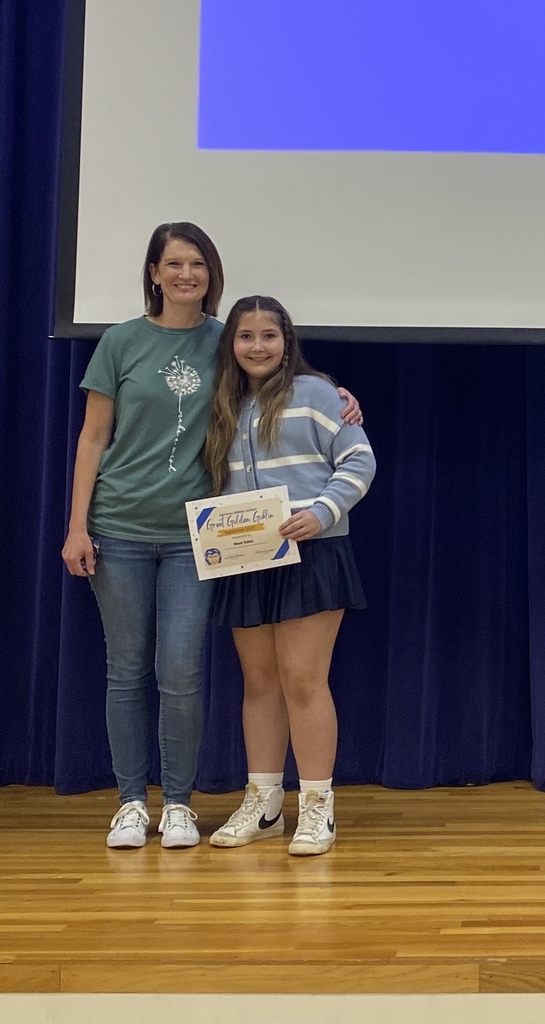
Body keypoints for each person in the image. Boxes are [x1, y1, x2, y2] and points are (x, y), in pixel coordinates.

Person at [62, 224, 362, 851]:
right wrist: (76, 525)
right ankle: (161, 802)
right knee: (148, 673)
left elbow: (327, 432)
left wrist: (337, 398)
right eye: (173, 264)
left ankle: (214, 804)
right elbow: (94, 436)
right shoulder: (130, 346)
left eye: (197, 264)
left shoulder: (243, 357)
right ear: (153, 272)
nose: (185, 275)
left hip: (243, 546)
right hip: (158, 535)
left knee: (201, 673)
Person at [204, 296, 376, 856]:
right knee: (260, 684)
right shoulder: (220, 402)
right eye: (246, 336)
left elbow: (359, 460)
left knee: (304, 680)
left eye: (269, 335)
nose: (258, 346)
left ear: (287, 341)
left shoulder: (319, 395)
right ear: (231, 344)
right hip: (245, 556)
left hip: (314, 554)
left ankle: (318, 805)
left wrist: (321, 511)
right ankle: (264, 802)